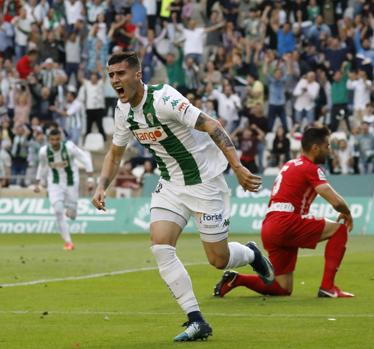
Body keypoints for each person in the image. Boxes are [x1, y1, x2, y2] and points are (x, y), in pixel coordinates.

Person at [91, 51, 274, 342]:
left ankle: (251, 253)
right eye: (111, 75)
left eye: (120, 74)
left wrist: (237, 167)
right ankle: (196, 320)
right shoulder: (122, 110)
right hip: (171, 184)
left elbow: (213, 125)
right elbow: (115, 153)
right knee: (160, 247)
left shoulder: (165, 99)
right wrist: (102, 185)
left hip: (205, 182)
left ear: (137, 75)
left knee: (218, 258)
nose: (115, 80)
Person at [213, 126, 354, 299]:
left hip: (270, 226)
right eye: (327, 146)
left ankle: (237, 280)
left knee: (283, 287)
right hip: (287, 222)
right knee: (339, 230)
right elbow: (336, 202)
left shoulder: (290, 164)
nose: (329, 150)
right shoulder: (311, 168)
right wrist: (347, 212)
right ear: (315, 148)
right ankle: (328, 287)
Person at [34, 129, 94, 250]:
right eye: (52, 139)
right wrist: (39, 182)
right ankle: (68, 242)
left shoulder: (69, 147)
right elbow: (43, 166)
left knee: (72, 215)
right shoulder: (44, 151)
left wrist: (90, 179)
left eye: (57, 139)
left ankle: (71, 211)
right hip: (54, 184)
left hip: (71, 182)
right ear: (48, 140)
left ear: (60, 138)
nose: (55, 142)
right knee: (58, 211)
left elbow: (85, 159)